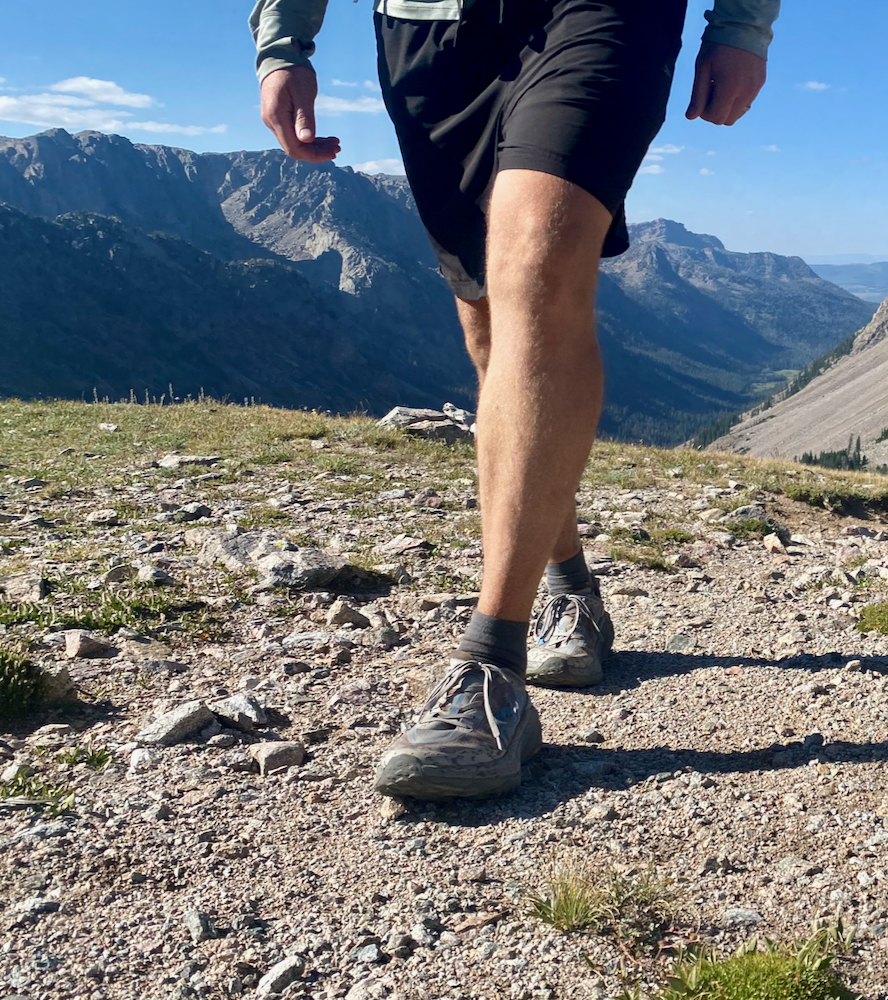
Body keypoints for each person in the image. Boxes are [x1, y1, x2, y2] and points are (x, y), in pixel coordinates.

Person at [249, 0, 780, 799]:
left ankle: (488, 669)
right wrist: (282, 40)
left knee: (538, 262)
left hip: (606, 13)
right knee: (490, 325)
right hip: (429, 27)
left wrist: (742, 24)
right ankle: (568, 581)